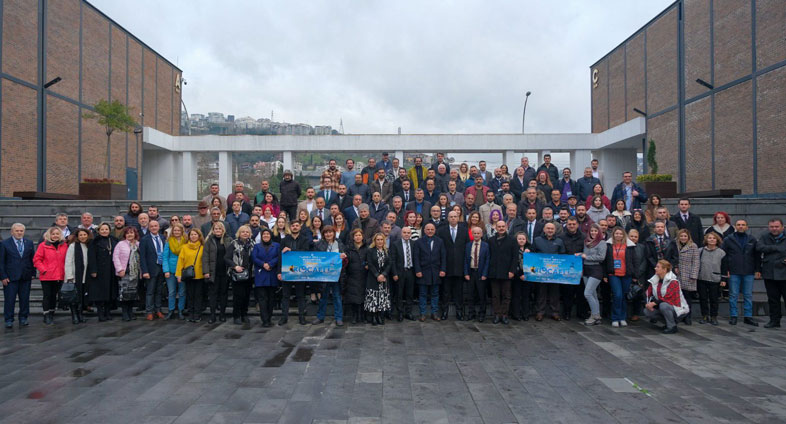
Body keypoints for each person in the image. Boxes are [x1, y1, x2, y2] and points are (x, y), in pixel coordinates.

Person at [721, 219, 759, 326]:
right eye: (739, 225)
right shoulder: (728, 239)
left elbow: (756, 256)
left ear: (747, 227)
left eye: (743, 225)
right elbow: (724, 256)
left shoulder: (752, 239)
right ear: (735, 226)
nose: (741, 226)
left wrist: (757, 270)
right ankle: (734, 316)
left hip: (749, 270)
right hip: (733, 271)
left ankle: (748, 316)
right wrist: (726, 270)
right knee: (733, 294)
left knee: (748, 295)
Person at [278, 220, 314, 325]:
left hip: (300, 272)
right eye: (293, 225)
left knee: (301, 295)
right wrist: (279, 272)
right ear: (290, 227)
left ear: (300, 227)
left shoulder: (305, 239)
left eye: (297, 225)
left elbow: (306, 254)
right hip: (287, 271)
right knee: (285, 296)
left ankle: (302, 317)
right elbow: (280, 257)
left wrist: (292, 251)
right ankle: (284, 317)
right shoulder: (284, 240)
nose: (295, 227)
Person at [0, 223, 35, 328]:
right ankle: (9, 319)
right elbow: (1, 261)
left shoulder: (29, 243)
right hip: (10, 277)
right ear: (12, 232)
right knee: (10, 299)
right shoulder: (4, 244)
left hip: (25, 276)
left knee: (25, 299)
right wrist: (3, 276)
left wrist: (33, 273)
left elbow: (32, 259)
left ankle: (23, 318)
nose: (19, 233)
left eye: (21, 231)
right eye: (17, 231)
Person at [436, 211, 469, 320]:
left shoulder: (464, 231)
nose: (453, 218)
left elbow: (467, 249)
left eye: (455, 216)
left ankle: (459, 312)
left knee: (459, 292)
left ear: (458, 218)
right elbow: (439, 250)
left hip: (459, 266)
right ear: (448, 218)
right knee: (445, 291)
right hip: (446, 266)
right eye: (451, 217)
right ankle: (444, 312)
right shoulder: (441, 231)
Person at [312, 226, 346, 326]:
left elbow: (344, 254)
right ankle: (320, 317)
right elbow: (316, 259)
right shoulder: (319, 244)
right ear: (323, 234)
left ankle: (339, 318)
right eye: (326, 233)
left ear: (333, 233)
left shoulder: (339, 242)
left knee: (337, 296)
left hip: (336, 275)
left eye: (330, 232)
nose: (328, 234)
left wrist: (343, 256)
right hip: (324, 275)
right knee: (323, 297)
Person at [33, 227, 67, 325]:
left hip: (60, 275)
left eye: (57, 234)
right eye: (53, 234)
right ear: (49, 235)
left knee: (54, 296)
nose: (55, 236)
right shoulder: (43, 245)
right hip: (47, 276)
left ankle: (52, 312)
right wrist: (43, 270)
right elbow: (37, 259)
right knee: (47, 295)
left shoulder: (64, 245)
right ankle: (46, 315)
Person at [604, 226, 638, 327]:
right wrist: (605, 274)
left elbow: (634, 261)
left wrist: (635, 275)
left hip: (626, 274)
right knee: (617, 295)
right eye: (616, 233)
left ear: (623, 235)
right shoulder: (608, 245)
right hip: (613, 274)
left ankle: (622, 317)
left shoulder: (629, 246)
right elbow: (605, 261)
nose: (618, 235)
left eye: (620, 234)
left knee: (623, 296)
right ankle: (615, 317)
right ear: (613, 234)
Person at [644, 260, 689, 334]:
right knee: (647, 311)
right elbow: (648, 293)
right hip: (663, 305)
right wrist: (648, 303)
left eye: (658, 267)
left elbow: (668, 297)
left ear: (664, 270)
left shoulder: (673, 282)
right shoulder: (655, 280)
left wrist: (653, 303)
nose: (655, 268)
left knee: (664, 305)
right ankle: (668, 323)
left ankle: (672, 326)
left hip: (678, 309)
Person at [756, 218, 786, 329]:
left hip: (784, 273)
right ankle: (774, 321)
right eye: (772, 227)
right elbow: (759, 247)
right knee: (773, 299)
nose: (774, 229)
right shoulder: (765, 236)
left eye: (777, 227)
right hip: (770, 273)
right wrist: (777, 248)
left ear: (782, 227)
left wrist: (771, 250)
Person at [414, 222, 446, 321]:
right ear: (424, 230)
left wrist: (443, 269)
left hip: (436, 272)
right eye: (428, 229)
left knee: (435, 293)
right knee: (423, 294)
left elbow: (443, 256)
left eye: (432, 229)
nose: (430, 231)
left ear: (435, 230)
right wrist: (418, 270)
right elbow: (416, 257)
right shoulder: (419, 242)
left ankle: (434, 313)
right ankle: (423, 313)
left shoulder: (440, 241)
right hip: (423, 271)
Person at [87, 223, 118, 322]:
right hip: (99, 271)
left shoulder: (113, 240)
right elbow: (91, 257)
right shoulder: (94, 242)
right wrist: (93, 270)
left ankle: (108, 312)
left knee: (110, 292)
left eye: (106, 229)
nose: (104, 231)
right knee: (100, 293)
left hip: (111, 270)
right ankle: (100, 313)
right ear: (99, 231)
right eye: (102, 229)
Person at [696, 232, 727, 326]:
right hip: (702, 278)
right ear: (706, 240)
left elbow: (724, 267)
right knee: (703, 299)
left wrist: (723, 279)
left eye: (714, 238)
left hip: (715, 278)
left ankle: (714, 316)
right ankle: (705, 316)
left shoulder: (721, 252)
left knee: (714, 299)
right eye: (710, 238)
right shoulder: (700, 251)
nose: (712, 240)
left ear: (717, 240)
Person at [203, 222, 232, 323]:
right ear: (213, 230)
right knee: (213, 294)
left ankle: (222, 314)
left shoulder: (228, 240)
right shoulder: (209, 241)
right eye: (216, 229)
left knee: (223, 294)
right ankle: (212, 315)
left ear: (223, 230)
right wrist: (206, 271)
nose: (218, 231)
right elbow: (205, 257)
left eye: (219, 229)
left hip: (225, 272)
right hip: (213, 272)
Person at [225, 224, 255, 325]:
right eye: (243, 232)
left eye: (247, 232)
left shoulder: (253, 244)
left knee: (246, 296)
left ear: (250, 234)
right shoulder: (234, 244)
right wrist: (235, 266)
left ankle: (244, 314)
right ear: (239, 233)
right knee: (238, 296)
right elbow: (227, 258)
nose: (245, 233)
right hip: (237, 274)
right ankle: (236, 315)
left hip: (249, 274)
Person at [139, 220, 166, 321]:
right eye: (152, 226)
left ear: (159, 227)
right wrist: (145, 271)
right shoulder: (145, 239)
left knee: (159, 291)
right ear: (149, 228)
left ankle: (158, 309)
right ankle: (149, 311)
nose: (154, 228)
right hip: (150, 269)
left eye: (156, 226)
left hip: (161, 268)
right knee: (150, 291)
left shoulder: (163, 238)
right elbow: (142, 257)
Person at [251, 228, 280, 327]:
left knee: (271, 298)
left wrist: (270, 264)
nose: (266, 236)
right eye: (264, 234)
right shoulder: (256, 246)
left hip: (272, 274)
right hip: (261, 275)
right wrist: (263, 264)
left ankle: (269, 317)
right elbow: (254, 257)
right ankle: (265, 320)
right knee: (262, 299)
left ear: (271, 235)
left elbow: (278, 257)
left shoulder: (276, 245)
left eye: (268, 234)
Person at [176, 228, 205, 323]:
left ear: (199, 236)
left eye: (195, 234)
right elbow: (180, 261)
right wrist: (179, 275)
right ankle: (191, 314)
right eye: (191, 234)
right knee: (190, 296)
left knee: (198, 296)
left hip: (200, 275)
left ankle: (197, 314)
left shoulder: (203, 247)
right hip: (188, 276)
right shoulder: (184, 247)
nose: (193, 236)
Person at [113, 227, 141, 322]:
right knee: (124, 293)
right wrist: (120, 269)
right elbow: (115, 257)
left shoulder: (138, 244)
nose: (130, 235)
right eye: (128, 233)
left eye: (131, 233)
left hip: (134, 272)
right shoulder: (120, 244)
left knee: (132, 293)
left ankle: (130, 312)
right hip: (124, 272)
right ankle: (125, 313)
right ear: (125, 235)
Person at [64, 228, 91, 324]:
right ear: (77, 236)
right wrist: (69, 275)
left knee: (82, 297)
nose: (83, 237)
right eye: (81, 235)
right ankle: (74, 315)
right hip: (75, 276)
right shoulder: (73, 246)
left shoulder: (89, 245)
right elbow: (68, 261)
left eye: (84, 235)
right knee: (75, 297)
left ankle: (80, 314)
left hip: (86, 276)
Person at [672, 229, 699, 325]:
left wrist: (693, 275)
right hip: (677, 274)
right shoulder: (675, 246)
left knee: (687, 297)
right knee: (678, 296)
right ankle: (679, 316)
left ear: (688, 237)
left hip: (688, 275)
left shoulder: (693, 246)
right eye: (681, 236)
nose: (683, 238)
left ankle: (688, 316)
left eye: (685, 236)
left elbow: (696, 262)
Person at [364, 233, 392, 325]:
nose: (379, 241)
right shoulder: (370, 250)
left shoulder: (387, 250)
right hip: (373, 278)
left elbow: (389, 264)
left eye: (381, 239)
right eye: (378, 240)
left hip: (383, 279)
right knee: (373, 298)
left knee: (382, 298)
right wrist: (377, 275)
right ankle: (373, 316)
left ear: (384, 241)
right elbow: (370, 264)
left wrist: (383, 275)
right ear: (374, 241)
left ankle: (380, 316)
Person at [582, 224, 607, 326]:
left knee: (587, 293)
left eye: (596, 231)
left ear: (599, 232)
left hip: (596, 269)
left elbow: (601, 257)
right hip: (586, 269)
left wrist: (586, 257)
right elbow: (583, 255)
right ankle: (597, 315)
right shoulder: (586, 242)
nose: (593, 233)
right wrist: (580, 255)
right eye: (592, 231)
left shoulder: (602, 243)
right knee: (593, 294)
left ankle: (595, 316)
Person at [161, 223, 187, 320]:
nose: (176, 232)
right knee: (171, 292)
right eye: (175, 230)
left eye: (178, 230)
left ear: (181, 231)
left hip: (182, 271)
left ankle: (181, 310)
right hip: (171, 271)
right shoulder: (168, 242)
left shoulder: (186, 242)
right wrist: (166, 270)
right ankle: (171, 310)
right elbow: (165, 257)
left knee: (182, 292)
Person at [627, 228, 650, 322]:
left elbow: (645, 261)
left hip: (640, 276)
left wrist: (637, 274)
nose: (633, 238)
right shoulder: (625, 246)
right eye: (631, 236)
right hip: (627, 274)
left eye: (635, 237)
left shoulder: (642, 247)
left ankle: (636, 313)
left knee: (637, 295)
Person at [510, 231, 532, 322]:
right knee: (516, 296)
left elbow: (533, 264)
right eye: (519, 239)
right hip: (516, 276)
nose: (521, 240)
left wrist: (527, 274)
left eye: (523, 239)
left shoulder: (530, 250)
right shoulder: (513, 249)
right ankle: (516, 314)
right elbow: (514, 263)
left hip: (527, 276)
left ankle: (525, 314)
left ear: (526, 240)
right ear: (516, 240)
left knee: (526, 296)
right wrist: (519, 275)